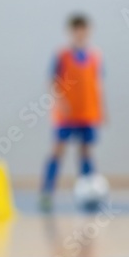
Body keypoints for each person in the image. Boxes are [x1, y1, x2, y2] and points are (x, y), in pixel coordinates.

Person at [40, 14, 105, 212]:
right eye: (76, 29)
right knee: (58, 151)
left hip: (87, 114)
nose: (80, 33)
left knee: (86, 153)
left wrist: (101, 110)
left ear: (88, 31)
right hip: (66, 116)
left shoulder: (95, 56)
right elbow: (53, 82)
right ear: (71, 32)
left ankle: (89, 192)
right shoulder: (62, 56)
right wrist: (61, 102)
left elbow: (96, 85)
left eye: (83, 29)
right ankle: (47, 193)